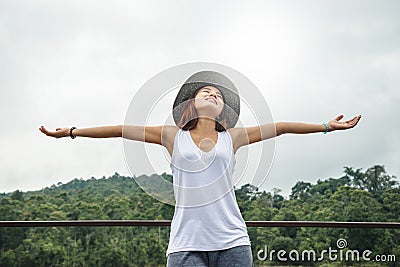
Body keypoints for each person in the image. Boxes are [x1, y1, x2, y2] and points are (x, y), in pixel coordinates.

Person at [39, 70, 361, 267]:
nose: (213, 94)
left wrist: (326, 126)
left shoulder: (233, 138)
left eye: (218, 94)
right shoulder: (171, 137)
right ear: (192, 103)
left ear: (222, 108)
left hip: (233, 242)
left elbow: (279, 127)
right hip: (185, 245)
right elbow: (123, 129)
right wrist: (72, 132)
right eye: (206, 92)